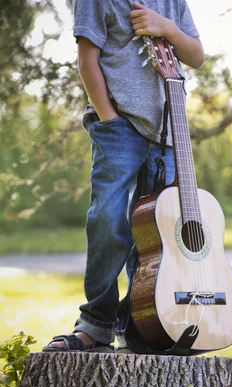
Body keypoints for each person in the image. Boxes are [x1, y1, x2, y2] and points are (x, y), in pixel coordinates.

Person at [42, 0, 205, 353]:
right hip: (119, 128)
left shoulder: (172, 2)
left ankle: (142, 323)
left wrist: (167, 28)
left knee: (157, 235)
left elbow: (196, 56)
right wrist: (108, 118)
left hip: (167, 131)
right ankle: (96, 323)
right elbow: (87, 61)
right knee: (108, 218)